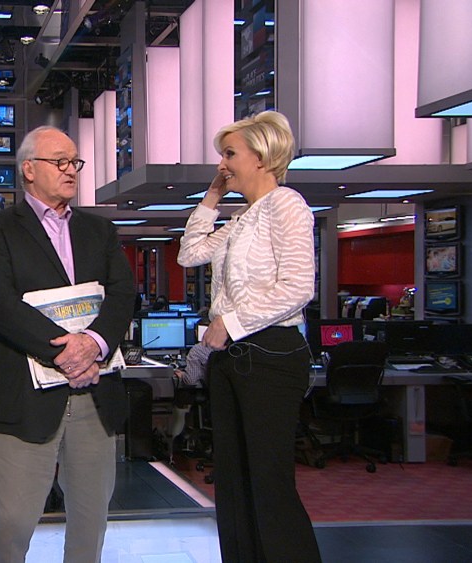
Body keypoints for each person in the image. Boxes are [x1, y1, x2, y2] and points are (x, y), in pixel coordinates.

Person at [0, 126, 135, 563]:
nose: (70, 170)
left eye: (74, 162)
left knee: (90, 521)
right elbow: (1, 305)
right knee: (13, 522)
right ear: (29, 169)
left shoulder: (99, 230)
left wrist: (94, 343)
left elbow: (123, 294)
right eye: (59, 161)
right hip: (27, 397)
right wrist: (67, 351)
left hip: (93, 393)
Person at [176, 110, 320, 562]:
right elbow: (189, 254)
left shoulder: (286, 204)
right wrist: (213, 195)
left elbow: (299, 286)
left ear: (261, 157)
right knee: (234, 482)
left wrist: (231, 322)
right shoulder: (241, 219)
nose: (222, 164)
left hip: (270, 354)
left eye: (229, 154)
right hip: (231, 358)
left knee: (268, 482)